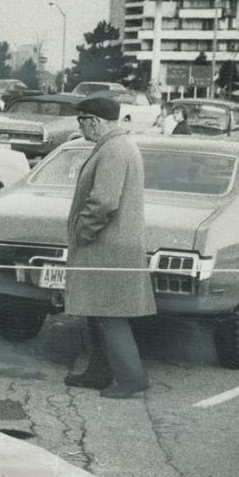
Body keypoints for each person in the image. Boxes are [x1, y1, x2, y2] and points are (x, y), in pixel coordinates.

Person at [64, 95, 155, 399]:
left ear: (95, 121)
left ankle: (132, 377)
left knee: (110, 313)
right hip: (112, 243)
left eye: (82, 120)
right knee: (99, 310)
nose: (80, 127)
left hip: (107, 244)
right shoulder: (117, 146)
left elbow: (104, 201)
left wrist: (82, 232)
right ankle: (99, 372)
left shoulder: (114, 150)